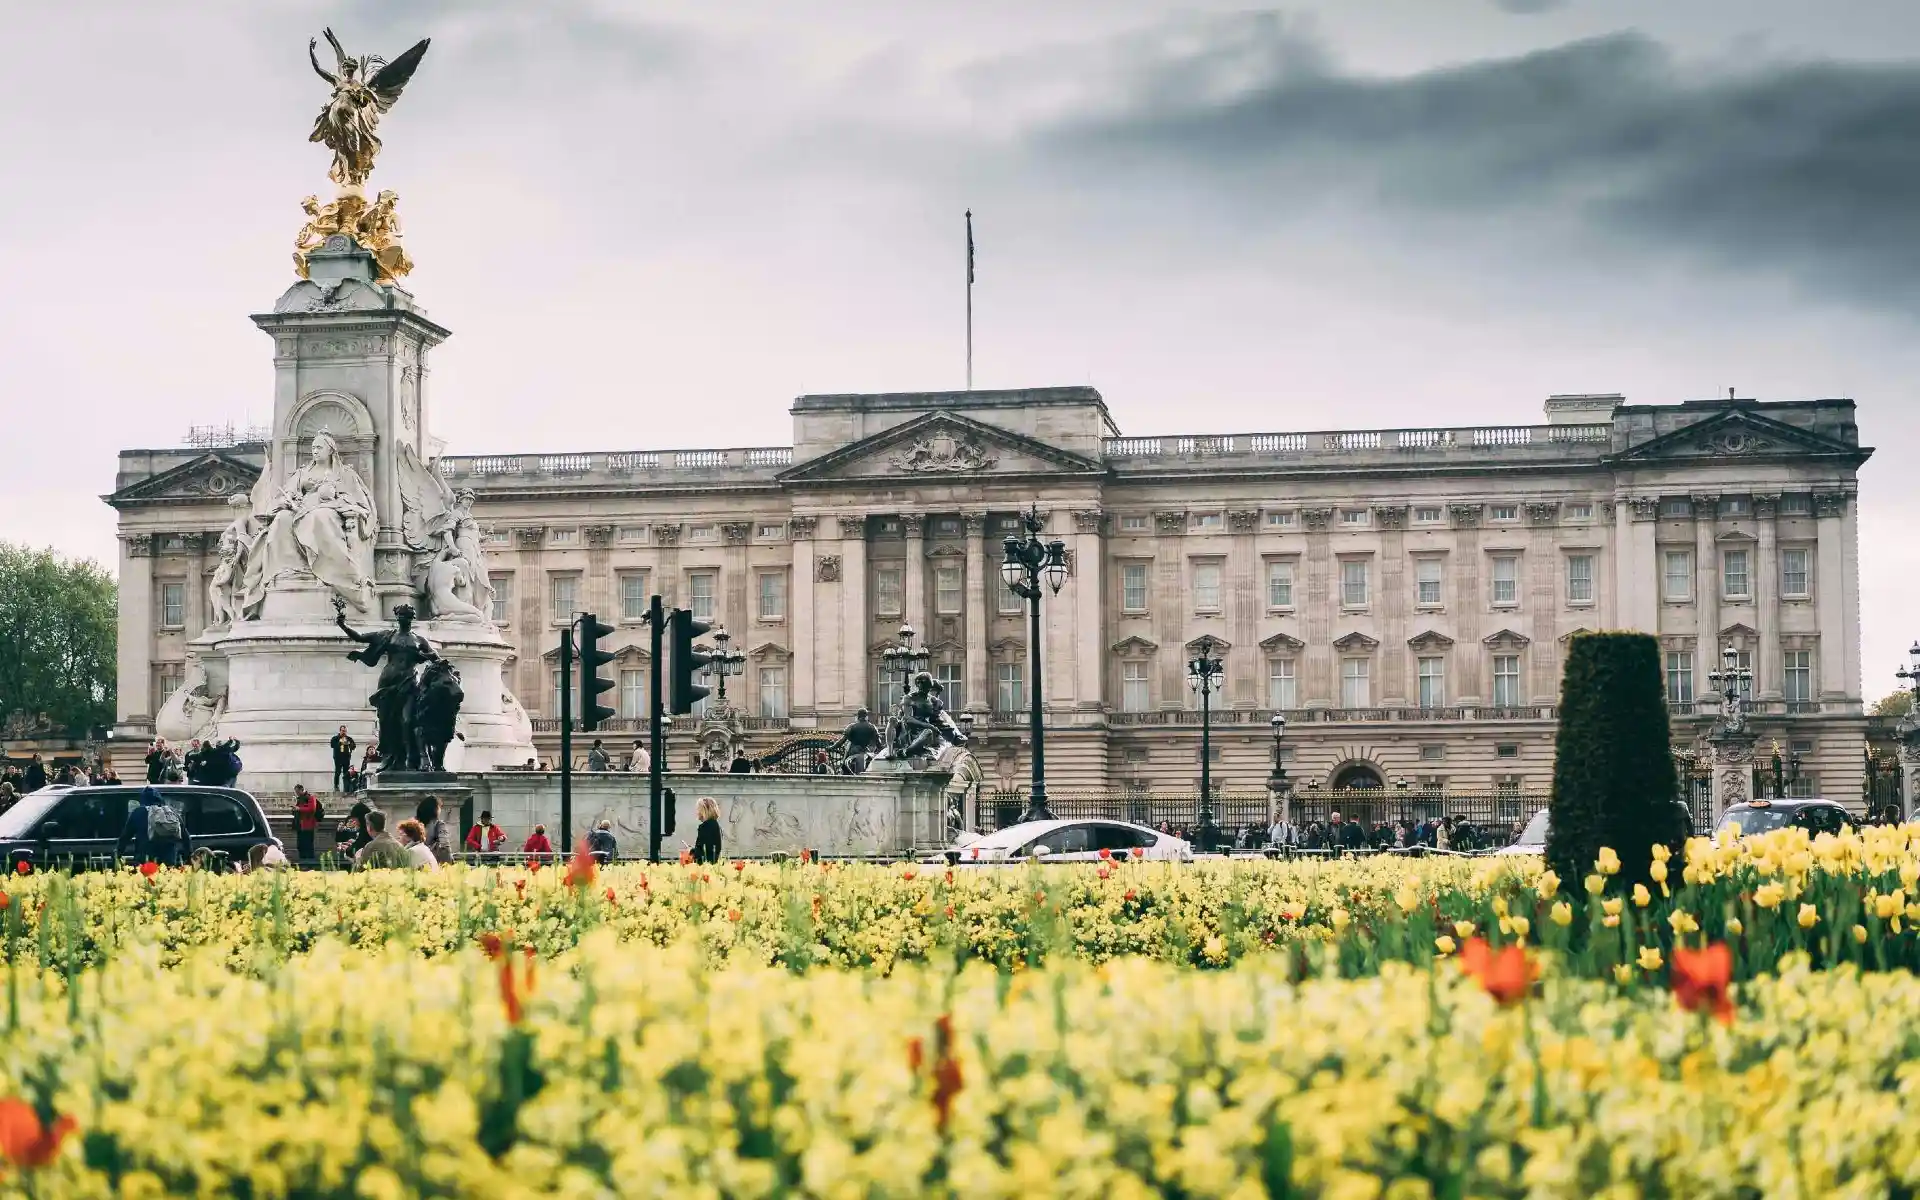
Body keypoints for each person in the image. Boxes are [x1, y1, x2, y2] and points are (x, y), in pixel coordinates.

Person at [116, 786, 187, 867]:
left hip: (145, 860)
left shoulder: (138, 812)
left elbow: (125, 836)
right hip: (168, 860)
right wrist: (188, 855)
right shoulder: (170, 812)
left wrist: (118, 854)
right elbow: (185, 836)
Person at [834, 710, 882, 774]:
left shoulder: (851, 726)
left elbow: (842, 741)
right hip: (865, 751)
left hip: (853, 751)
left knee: (844, 765)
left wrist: (832, 747)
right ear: (866, 716)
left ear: (858, 716)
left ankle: (844, 770)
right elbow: (878, 743)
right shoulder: (872, 727)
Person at [292, 784, 324, 864]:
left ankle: (310, 862)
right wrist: (294, 809)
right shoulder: (299, 799)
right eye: (295, 792)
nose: (296, 793)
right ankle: (302, 860)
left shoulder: (311, 798)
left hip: (308, 825)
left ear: (302, 790)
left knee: (308, 844)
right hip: (300, 825)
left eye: (297, 791)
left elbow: (312, 808)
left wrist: (299, 808)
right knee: (300, 844)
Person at [416, 796, 453, 864]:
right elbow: (444, 846)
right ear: (435, 809)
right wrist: (450, 864)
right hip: (433, 861)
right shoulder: (439, 825)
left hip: (417, 861)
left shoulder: (415, 824)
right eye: (439, 807)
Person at [692, 797, 722, 864]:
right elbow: (710, 848)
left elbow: (703, 852)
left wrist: (693, 853)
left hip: (705, 866)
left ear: (704, 810)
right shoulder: (714, 824)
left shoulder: (706, 826)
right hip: (712, 865)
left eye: (698, 809)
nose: (697, 812)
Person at [330, 726, 357, 792]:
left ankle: (346, 787)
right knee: (338, 772)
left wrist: (349, 744)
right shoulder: (335, 738)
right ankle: (336, 786)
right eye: (342, 731)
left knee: (346, 773)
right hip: (338, 758)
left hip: (346, 758)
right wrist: (340, 742)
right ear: (340, 731)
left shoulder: (349, 739)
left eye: (345, 731)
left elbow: (354, 746)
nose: (344, 732)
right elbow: (332, 745)